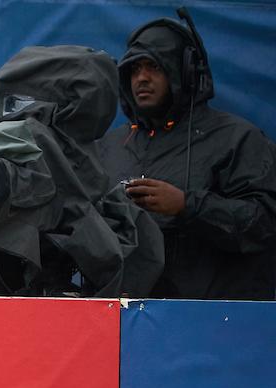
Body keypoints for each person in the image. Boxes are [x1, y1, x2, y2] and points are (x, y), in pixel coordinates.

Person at [97, 12, 276, 299]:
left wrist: (186, 205)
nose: (141, 78)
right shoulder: (110, 146)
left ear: (185, 72)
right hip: (126, 324)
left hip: (211, 323)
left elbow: (264, 225)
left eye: (153, 67)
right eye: (134, 69)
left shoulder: (237, 138)